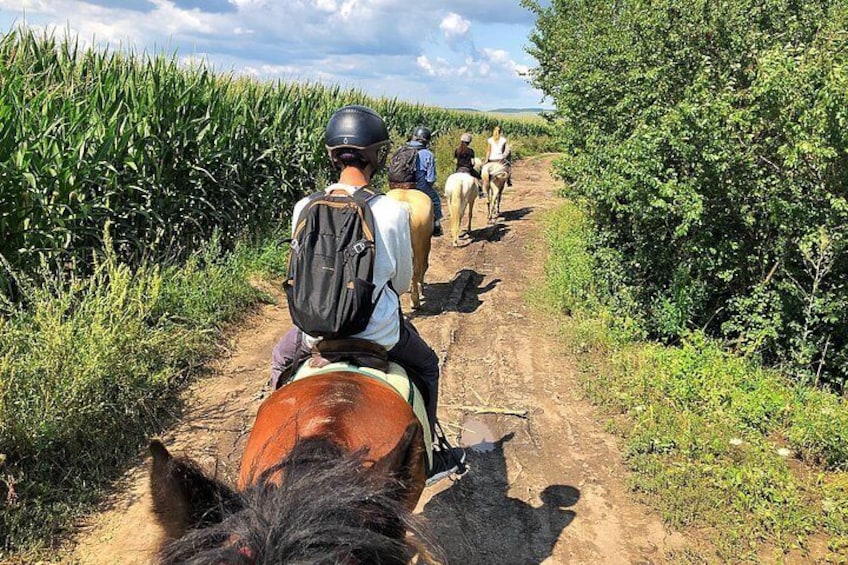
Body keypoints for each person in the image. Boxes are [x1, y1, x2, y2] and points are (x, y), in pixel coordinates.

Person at [271, 104, 465, 483]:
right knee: (426, 366)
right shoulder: (391, 211)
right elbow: (403, 280)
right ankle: (428, 456)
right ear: (378, 155)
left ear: (332, 155)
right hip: (378, 335)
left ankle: (269, 430)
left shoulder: (303, 207)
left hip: (316, 335)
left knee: (280, 359)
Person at [407, 125, 443, 237]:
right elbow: (431, 178)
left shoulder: (402, 149)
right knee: (436, 199)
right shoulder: (428, 154)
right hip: (420, 185)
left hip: (401, 184)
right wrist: (429, 185)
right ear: (426, 140)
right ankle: (437, 225)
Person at [454, 132, 484, 198]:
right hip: (468, 169)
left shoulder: (457, 150)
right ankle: (481, 192)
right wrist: (471, 166)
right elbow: (473, 163)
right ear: (469, 142)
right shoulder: (471, 151)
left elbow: (455, 162)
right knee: (479, 178)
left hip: (458, 169)